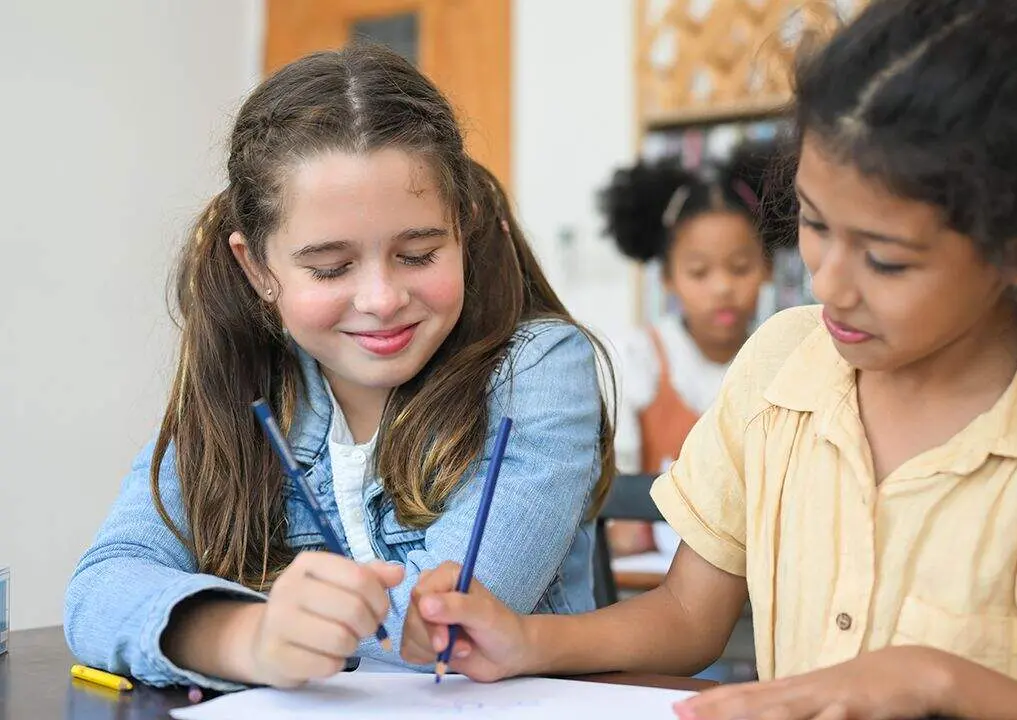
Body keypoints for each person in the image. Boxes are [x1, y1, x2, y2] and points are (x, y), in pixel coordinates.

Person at [401, 1, 1017, 717]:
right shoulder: (784, 366)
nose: (829, 284)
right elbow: (690, 615)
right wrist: (528, 642)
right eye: (814, 225)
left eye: (886, 260)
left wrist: (935, 683)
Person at [64, 44, 615, 691]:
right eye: (331, 268)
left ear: (462, 228)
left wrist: (259, 630)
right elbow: (101, 585)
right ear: (257, 268)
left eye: (417, 254)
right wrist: (245, 638)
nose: (381, 300)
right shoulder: (242, 384)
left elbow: (445, 626)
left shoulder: (537, 372)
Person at [599, 141, 780, 560]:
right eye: (699, 272)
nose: (722, 288)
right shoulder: (637, 358)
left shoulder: (783, 360)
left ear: (768, 265)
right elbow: (618, 509)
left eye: (740, 267)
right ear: (667, 278)